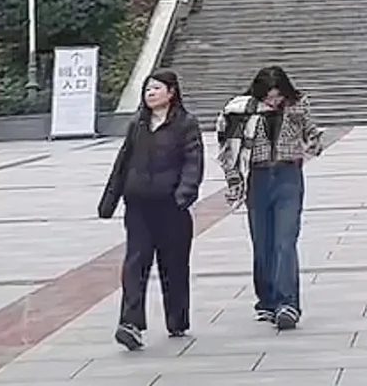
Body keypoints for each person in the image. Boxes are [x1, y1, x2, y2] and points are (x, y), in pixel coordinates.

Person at [98, 70, 205, 351]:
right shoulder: (138, 124)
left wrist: (184, 195)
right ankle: (130, 323)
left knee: (174, 267)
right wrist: (110, 200)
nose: (151, 93)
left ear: (172, 92)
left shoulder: (186, 124)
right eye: (147, 88)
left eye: (157, 88)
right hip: (139, 207)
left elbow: (193, 163)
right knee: (135, 263)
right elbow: (123, 163)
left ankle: (177, 319)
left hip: (171, 207)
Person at [216, 66, 323, 331]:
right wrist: (234, 180)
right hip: (259, 177)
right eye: (269, 96)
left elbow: (312, 133)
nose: (274, 101)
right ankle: (267, 300)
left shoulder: (298, 105)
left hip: (288, 176)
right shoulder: (243, 110)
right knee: (262, 243)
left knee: (285, 241)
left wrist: (312, 143)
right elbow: (228, 146)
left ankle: (288, 304)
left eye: (278, 96)